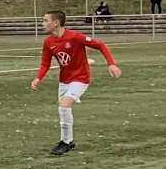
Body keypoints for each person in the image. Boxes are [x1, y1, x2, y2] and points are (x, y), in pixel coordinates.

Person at [31, 10, 121, 157]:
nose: (43, 24)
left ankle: (65, 142)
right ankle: (69, 140)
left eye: (46, 20)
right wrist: (38, 78)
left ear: (56, 22)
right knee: (63, 110)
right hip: (64, 80)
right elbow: (45, 64)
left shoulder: (74, 37)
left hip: (80, 79)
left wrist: (111, 64)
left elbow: (100, 45)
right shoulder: (48, 42)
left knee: (64, 106)